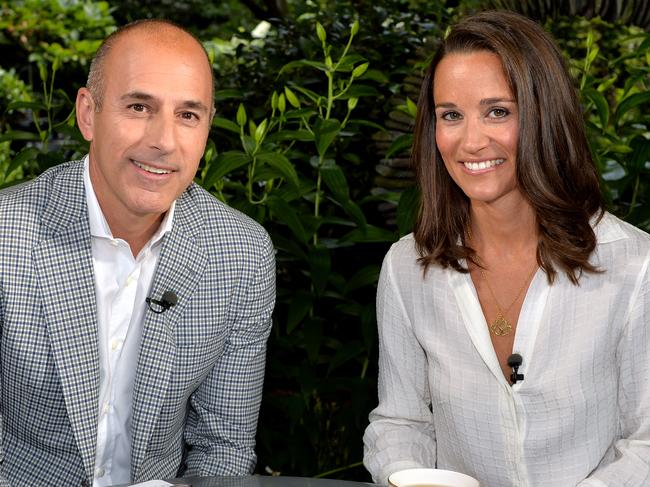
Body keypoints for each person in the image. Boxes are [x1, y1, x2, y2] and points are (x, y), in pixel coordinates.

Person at [363, 10, 649, 487]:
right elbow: (400, 423)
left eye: (498, 111)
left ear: (544, 115)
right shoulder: (406, 268)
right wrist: (402, 475)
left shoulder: (635, 267)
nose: (472, 141)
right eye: (450, 115)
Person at [0, 19, 275, 487]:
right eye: (139, 106)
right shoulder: (9, 234)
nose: (164, 141)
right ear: (88, 114)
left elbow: (222, 449)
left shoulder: (242, 254)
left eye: (188, 115)